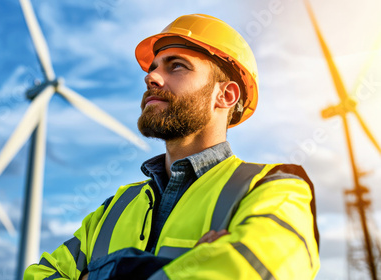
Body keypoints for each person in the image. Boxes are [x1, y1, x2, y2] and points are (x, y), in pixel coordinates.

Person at [24, 14, 320, 280]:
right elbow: (40, 276)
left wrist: (98, 274)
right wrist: (192, 264)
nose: (150, 77)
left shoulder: (274, 189)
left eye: (176, 66)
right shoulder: (114, 208)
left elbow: (253, 273)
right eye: (152, 69)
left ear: (226, 95)